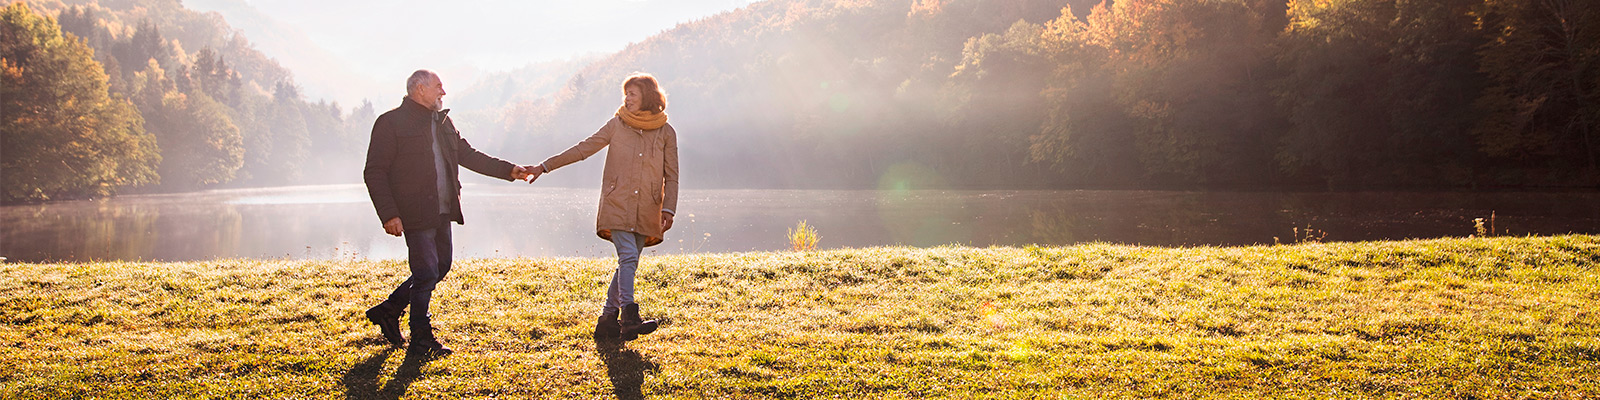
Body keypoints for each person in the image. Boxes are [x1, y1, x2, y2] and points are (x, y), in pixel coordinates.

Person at [363, 69, 534, 356]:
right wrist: (389, 214)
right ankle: (421, 338)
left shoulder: (442, 122)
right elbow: (375, 171)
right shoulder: (390, 123)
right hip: (413, 212)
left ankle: (389, 310)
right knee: (426, 271)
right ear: (419, 89)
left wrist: (509, 170)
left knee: (440, 267)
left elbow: (467, 154)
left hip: (442, 209)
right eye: (438, 87)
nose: (443, 92)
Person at [525, 72, 678, 342]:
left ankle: (607, 321)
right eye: (626, 94)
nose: (627, 98)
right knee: (629, 256)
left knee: (626, 264)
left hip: (648, 207)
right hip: (616, 202)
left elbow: (672, 174)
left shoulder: (666, 131)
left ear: (648, 96)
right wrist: (545, 166)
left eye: (632, 93)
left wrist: (669, 208)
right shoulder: (617, 125)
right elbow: (584, 149)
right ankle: (629, 317)